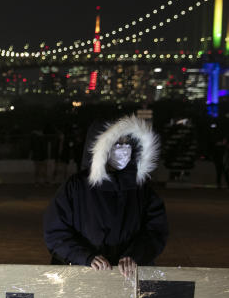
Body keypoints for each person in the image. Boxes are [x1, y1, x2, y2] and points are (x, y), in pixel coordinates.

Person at [43, 116, 168, 278]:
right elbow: (55, 232)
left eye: (127, 143)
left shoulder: (141, 189)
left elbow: (156, 231)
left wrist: (134, 256)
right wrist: (85, 257)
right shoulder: (76, 187)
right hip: (81, 274)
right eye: (117, 143)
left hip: (126, 277)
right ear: (100, 147)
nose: (123, 149)